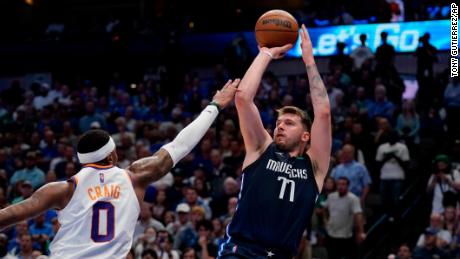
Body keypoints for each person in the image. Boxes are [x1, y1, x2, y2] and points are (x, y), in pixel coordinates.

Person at [0, 80, 240, 258]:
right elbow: (180, 145)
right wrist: (214, 106)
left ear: (83, 161)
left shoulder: (61, 189)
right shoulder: (135, 177)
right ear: (113, 154)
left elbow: (10, 215)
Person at [218, 25, 332, 258]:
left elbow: (323, 112)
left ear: (305, 135)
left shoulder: (314, 167)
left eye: (289, 123)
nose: (280, 125)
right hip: (241, 251)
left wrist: (309, 61)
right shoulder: (261, 149)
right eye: (279, 122)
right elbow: (243, 98)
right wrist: (265, 53)